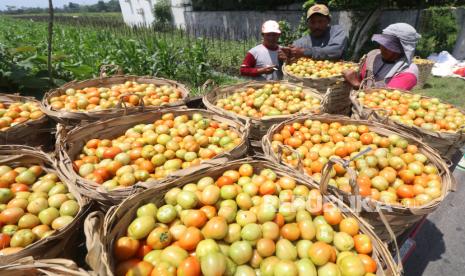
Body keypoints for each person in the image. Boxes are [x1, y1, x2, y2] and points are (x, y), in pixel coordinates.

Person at [344, 23, 421, 91]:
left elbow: (386, 100)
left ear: (403, 49)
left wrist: (356, 84)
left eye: (390, 46)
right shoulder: (373, 56)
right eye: (383, 43)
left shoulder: (407, 72)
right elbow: (361, 77)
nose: (382, 48)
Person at [280, 4, 348, 61]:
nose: (316, 26)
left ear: (328, 21)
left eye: (320, 21)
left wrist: (304, 52)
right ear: (307, 23)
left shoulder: (337, 32)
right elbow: (294, 57)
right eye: (312, 22)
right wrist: (288, 56)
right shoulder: (300, 43)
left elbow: (335, 51)